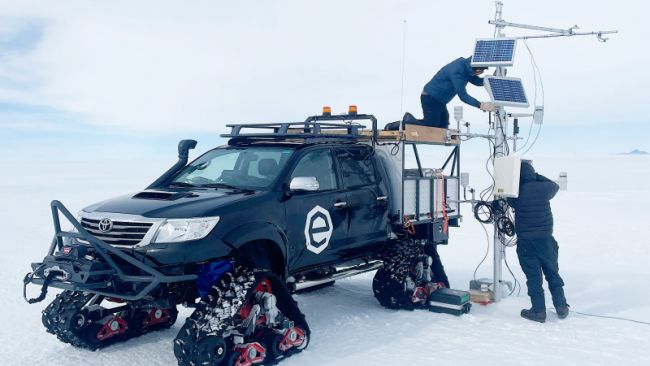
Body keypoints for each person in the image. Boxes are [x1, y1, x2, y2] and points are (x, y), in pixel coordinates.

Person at [507, 161, 569, 323]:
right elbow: (554, 185)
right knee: (552, 273)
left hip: (527, 243)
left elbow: (508, 201)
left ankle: (538, 311)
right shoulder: (544, 189)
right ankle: (561, 307)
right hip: (546, 241)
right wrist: (536, 177)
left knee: (534, 277)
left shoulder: (516, 192)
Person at [421, 56, 496, 129]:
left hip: (440, 101)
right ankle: (409, 120)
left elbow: (477, 81)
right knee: (431, 126)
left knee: (443, 126)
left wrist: (492, 79)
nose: (479, 74)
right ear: (474, 67)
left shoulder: (467, 68)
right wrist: (481, 105)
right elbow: (463, 96)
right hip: (430, 97)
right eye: (479, 71)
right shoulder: (458, 72)